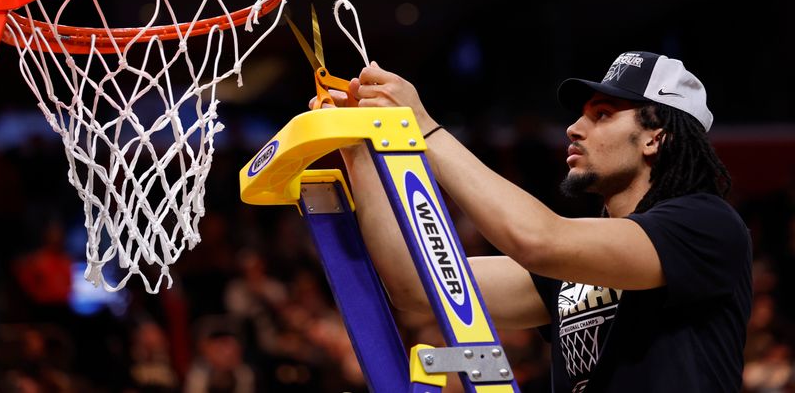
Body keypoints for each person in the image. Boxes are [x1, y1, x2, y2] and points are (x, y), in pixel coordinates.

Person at [317, 51, 753, 393]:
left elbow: (539, 240)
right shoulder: (575, 268)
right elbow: (415, 283)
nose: (574, 128)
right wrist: (358, 147)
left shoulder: (707, 224)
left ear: (656, 137)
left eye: (602, 114)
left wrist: (424, 129)